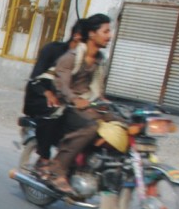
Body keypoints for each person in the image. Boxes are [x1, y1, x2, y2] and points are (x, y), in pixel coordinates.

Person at [40, 13, 112, 194]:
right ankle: (56, 169)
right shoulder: (71, 57)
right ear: (92, 34)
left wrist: (103, 101)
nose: (109, 36)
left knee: (120, 123)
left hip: (88, 104)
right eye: (106, 31)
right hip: (67, 106)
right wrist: (74, 99)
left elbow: (97, 88)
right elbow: (61, 85)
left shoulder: (99, 60)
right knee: (91, 126)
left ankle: (96, 166)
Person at [23, 19, 85, 168]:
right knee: (54, 111)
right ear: (77, 36)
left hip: (64, 99)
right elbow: (35, 79)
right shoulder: (53, 50)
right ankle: (44, 157)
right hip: (38, 96)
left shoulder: (85, 60)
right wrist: (48, 93)